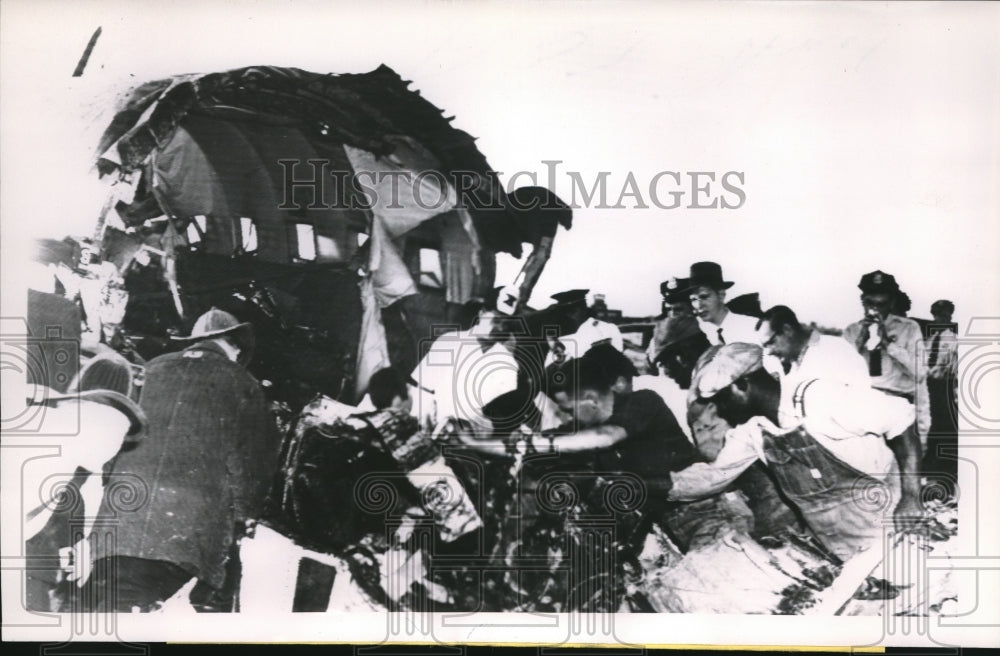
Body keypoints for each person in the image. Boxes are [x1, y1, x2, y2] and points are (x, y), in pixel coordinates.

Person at [86, 308, 281, 612]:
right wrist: (244, 517)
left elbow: (111, 446)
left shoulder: (148, 369)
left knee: (114, 609)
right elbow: (253, 465)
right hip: (183, 537)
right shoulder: (243, 383)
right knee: (138, 617)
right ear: (236, 346)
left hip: (119, 522)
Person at [668, 343, 924, 562]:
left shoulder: (819, 398)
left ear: (742, 386)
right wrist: (643, 484)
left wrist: (912, 496)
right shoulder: (753, 431)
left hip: (896, 530)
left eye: (722, 400)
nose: (720, 411)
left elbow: (901, 419)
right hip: (844, 550)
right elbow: (712, 477)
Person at [24, 352, 147, 612]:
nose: (113, 441)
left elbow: (90, 489)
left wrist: (83, 545)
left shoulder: (82, 460)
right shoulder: (44, 440)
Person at [843, 270, 930, 445]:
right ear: (862, 301)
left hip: (898, 405)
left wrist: (888, 344)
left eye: (881, 304)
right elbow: (840, 373)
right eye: (869, 303)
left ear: (891, 303)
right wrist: (859, 342)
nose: (874, 309)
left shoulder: (908, 328)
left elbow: (920, 373)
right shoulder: (851, 331)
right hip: (864, 406)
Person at [755, 305, 869, 388]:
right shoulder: (792, 371)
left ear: (787, 330)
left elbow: (863, 398)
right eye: (765, 346)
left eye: (770, 342)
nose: (769, 352)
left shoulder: (836, 350)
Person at [924, 300, 958, 488]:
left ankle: (945, 466)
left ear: (950, 317)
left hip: (943, 386)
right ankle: (931, 462)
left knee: (944, 424)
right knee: (931, 423)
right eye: (937, 315)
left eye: (944, 316)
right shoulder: (930, 340)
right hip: (929, 386)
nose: (940, 319)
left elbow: (944, 367)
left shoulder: (952, 340)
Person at [684, 262, 760, 346]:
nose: (698, 305)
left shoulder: (752, 327)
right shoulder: (698, 334)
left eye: (704, 297)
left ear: (721, 295)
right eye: (693, 299)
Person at [543, 289, 624, 367]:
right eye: (564, 312)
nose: (569, 316)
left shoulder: (606, 329)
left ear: (584, 309)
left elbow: (617, 364)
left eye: (572, 311)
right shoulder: (559, 340)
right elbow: (548, 373)